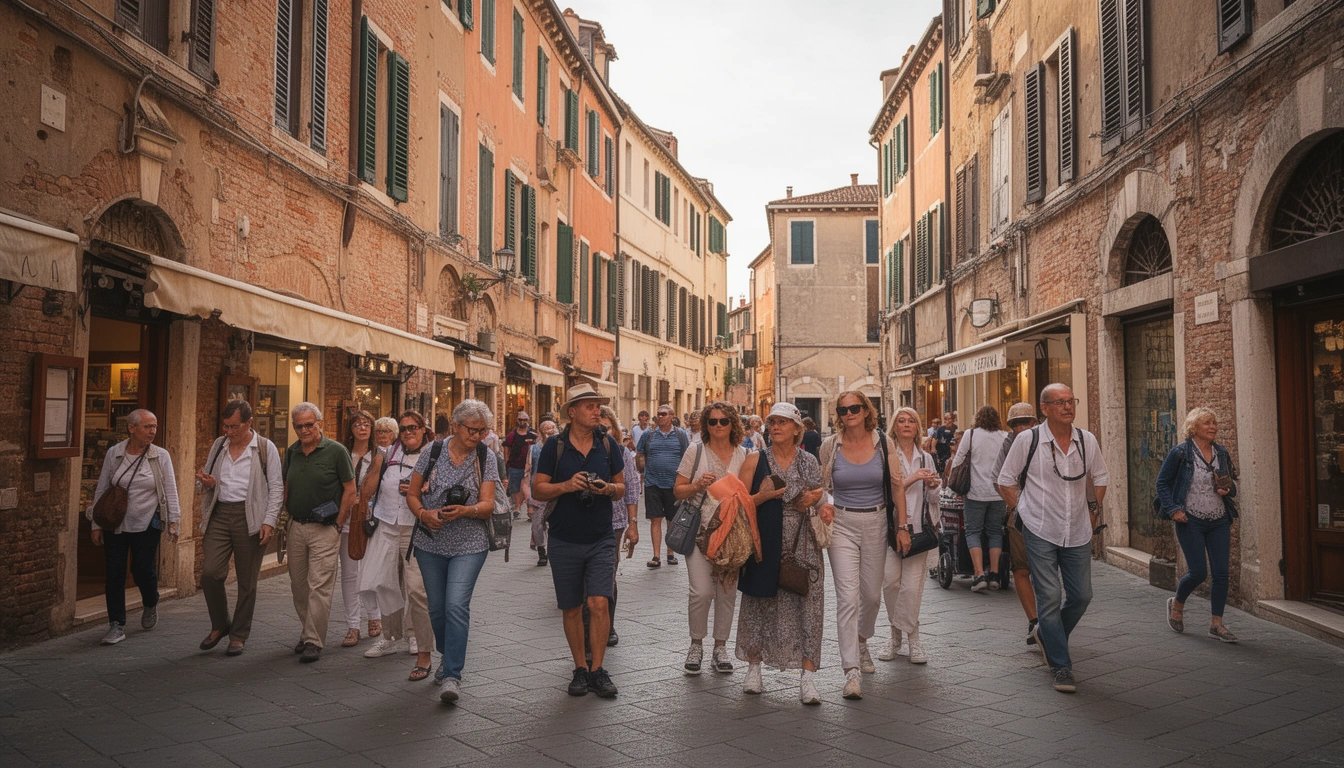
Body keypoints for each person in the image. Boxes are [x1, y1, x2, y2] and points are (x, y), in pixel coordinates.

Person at [997, 384, 1109, 693]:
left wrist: (1093, 511)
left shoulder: (1087, 440)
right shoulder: (1027, 440)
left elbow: (1100, 476)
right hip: (1040, 528)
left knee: (1082, 595)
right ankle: (1061, 666)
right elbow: (1005, 480)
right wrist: (1021, 510)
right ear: (1045, 409)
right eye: (1060, 402)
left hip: (1078, 529)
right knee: (1048, 596)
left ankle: (1047, 634)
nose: (1068, 407)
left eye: (1071, 401)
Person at [532, 384, 626, 698]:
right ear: (572, 412)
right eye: (590, 406)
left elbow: (621, 488)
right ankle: (580, 668)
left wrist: (607, 489)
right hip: (563, 538)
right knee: (571, 607)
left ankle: (598, 669)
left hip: (601, 538)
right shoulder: (554, 446)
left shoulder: (608, 444)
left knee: (599, 602)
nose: (597, 411)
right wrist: (567, 485)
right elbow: (539, 489)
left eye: (598, 406)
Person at [735, 402, 829, 704]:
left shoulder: (808, 460)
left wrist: (815, 501)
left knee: (809, 605)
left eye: (782, 422)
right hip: (765, 537)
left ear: (796, 429)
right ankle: (754, 667)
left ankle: (808, 677)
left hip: (803, 540)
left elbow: (819, 494)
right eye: (772, 422)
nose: (775, 427)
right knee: (759, 603)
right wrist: (763, 497)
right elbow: (738, 503)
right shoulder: (755, 459)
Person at [405, 400, 499, 702]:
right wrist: (424, 515)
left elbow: (487, 505)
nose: (478, 436)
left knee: (456, 605)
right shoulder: (432, 452)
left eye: (483, 431)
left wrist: (466, 510)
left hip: (469, 543)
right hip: (430, 541)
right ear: (456, 426)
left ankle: (452, 675)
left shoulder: (485, 456)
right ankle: (447, 655)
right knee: (437, 608)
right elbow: (412, 494)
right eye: (472, 430)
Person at [817, 392, 907, 699]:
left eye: (855, 407)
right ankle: (851, 670)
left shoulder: (884, 443)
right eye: (843, 410)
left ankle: (862, 639)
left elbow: (897, 487)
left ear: (866, 410)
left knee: (870, 596)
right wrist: (824, 506)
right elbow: (823, 486)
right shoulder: (830, 446)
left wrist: (903, 527)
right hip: (841, 523)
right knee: (847, 598)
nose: (849, 413)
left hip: (877, 521)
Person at [196, 400, 283, 656]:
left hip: (251, 517)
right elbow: (204, 483)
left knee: (247, 581)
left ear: (249, 423)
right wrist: (206, 483)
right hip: (220, 514)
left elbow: (276, 488)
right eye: (226, 426)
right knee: (210, 573)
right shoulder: (219, 445)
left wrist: (269, 521)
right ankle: (220, 624)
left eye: (234, 426)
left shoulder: (265, 448)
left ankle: (239, 634)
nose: (229, 431)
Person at [89, 409, 181, 646]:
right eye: (147, 426)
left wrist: (174, 521)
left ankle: (150, 602)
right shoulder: (115, 453)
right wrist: (96, 523)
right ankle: (116, 624)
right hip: (115, 523)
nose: (152, 431)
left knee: (142, 570)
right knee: (115, 573)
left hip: (147, 521)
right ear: (131, 428)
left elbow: (170, 490)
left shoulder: (160, 456)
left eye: (155, 426)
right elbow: (103, 488)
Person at [673, 401, 749, 676]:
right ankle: (696, 644)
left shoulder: (744, 455)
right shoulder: (695, 451)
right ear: (705, 425)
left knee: (726, 594)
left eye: (723, 421)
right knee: (702, 592)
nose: (718, 426)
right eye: (712, 421)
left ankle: (720, 647)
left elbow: (748, 496)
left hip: (730, 536)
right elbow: (678, 490)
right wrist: (697, 485)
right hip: (699, 531)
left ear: (733, 424)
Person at [359, 412, 434, 680]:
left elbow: (441, 489)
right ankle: (390, 636)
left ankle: (416, 637)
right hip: (386, 524)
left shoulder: (432, 455)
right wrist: (378, 463)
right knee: (383, 582)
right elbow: (367, 489)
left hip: (416, 528)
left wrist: (423, 488)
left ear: (423, 429)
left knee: (415, 588)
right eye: (403, 429)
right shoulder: (389, 452)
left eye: (413, 427)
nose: (408, 432)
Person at [1155, 407, 1239, 643]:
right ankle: (1177, 603)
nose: (1212, 427)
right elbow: (1162, 483)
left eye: (1214, 423)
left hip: (1219, 519)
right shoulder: (1180, 453)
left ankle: (1217, 624)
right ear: (1194, 427)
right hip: (1190, 519)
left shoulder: (1221, 453)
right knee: (1198, 572)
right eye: (1206, 423)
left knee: (1221, 574)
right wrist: (1174, 509)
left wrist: (1227, 489)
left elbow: (1232, 486)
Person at [282, 402, 357, 663]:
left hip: (325, 528)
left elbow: (350, 490)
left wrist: (339, 523)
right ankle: (307, 632)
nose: (304, 430)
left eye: (308, 425)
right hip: (296, 526)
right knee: (299, 586)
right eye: (298, 426)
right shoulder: (292, 452)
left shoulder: (337, 451)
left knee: (319, 585)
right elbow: (286, 486)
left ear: (320, 423)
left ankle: (314, 640)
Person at [879, 407, 940, 666]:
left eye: (911, 421)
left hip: (918, 529)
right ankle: (895, 637)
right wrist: (912, 479)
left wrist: (933, 486)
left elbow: (934, 499)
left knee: (912, 588)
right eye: (901, 421)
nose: (906, 425)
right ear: (894, 426)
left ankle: (913, 639)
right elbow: (883, 493)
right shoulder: (885, 456)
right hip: (890, 530)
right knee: (891, 584)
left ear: (917, 427)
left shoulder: (926, 458)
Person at [993, 402, 1043, 647]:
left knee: (1045, 571)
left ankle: (1049, 618)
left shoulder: (1046, 441)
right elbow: (998, 479)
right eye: (1015, 424)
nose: (1021, 427)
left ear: (1035, 422)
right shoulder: (1007, 446)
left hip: (1047, 515)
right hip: (1018, 516)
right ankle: (1034, 621)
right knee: (1021, 568)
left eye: (1025, 422)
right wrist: (1016, 506)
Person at [949, 406, 1011, 593]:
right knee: (995, 532)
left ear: (978, 418)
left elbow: (959, 459)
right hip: (998, 493)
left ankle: (978, 574)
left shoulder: (971, 434)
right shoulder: (1004, 436)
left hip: (975, 492)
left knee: (973, 531)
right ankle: (994, 574)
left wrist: (952, 483)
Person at [595, 406, 640, 647]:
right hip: (583, 520)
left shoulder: (621, 452)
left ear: (614, 429)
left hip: (614, 521)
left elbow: (631, 488)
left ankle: (608, 624)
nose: (603, 432)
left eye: (607, 427)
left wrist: (633, 524)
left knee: (608, 573)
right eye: (598, 427)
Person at [340, 411, 382, 647]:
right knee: (349, 574)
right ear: (351, 429)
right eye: (357, 424)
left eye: (366, 424)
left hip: (370, 521)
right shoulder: (342, 454)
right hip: (346, 520)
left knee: (369, 572)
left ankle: (374, 615)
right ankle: (352, 624)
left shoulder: (379, 456)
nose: (362, 428)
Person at [637, 404, 689, 567]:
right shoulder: (649, 434)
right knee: (655, 519)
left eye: (664, 414)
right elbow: (640, 452)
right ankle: (656, 556)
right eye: (658, 414)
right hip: (652, 482)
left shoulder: (680, 435)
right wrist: (641, 467)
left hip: (673, 484)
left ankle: (670, 553)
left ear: (671, 416)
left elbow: (686, 457)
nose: (660, 417)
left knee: (671, 520)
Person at [525, 418, 559, 566]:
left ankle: (554, 549)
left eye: (552, 430)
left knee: (555, 523)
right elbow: (527, 472)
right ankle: (541, 550)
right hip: (538, 492)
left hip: (557, 491)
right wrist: (528, 497)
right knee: (537, 525)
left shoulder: (561, 448)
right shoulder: (534, 449)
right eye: (546, 431)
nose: (549, 433)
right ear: (541, 432)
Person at [502, 412, 540, 519]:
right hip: (515, 464)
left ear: (528, 420)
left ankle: (530, 509)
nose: (522, 422)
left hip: (531, 465)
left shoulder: (533, 434)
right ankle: (517, 508)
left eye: (524, 420)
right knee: (516, 487)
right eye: (520, 419)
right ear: (517, 420)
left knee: (531, 487)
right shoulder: (511, 435)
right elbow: (506, 449)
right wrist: (507, 463)